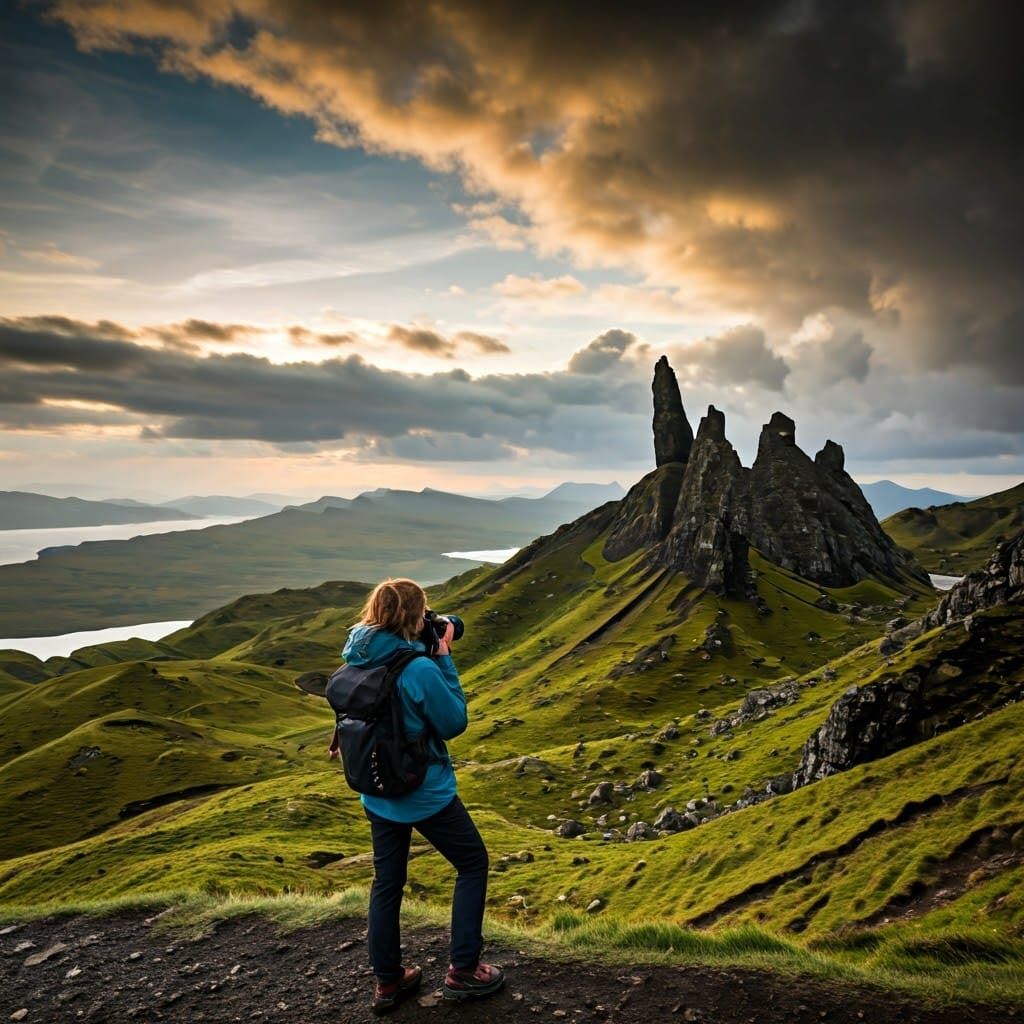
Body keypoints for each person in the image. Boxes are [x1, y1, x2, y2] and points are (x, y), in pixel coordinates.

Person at [332, 577, 505, 1014]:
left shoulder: (355, 655)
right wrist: (444, 659)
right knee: (471, 863)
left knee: (387, 882)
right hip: (423, 793)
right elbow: (453, 723)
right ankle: (463, 969)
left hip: (376, 794)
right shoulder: (419, 668)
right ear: (415, 616)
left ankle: (388, 981)